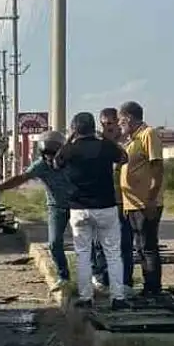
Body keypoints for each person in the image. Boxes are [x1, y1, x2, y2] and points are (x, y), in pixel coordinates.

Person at [54, 112, 129, 310]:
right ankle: (118, 298)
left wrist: (70, 138)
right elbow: (124, 157)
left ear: (74, 128)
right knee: (113, 254)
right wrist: (104, 137)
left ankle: (86, 298)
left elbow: (56, 162)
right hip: (105, 207)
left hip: (79, 210)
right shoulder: (104, 146)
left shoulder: (69, 150)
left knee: (83, 255)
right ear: (93, 127)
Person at [0, 131, 74, 291]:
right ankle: (63, 276)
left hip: (78, 205)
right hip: (56, 207)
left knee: (87, 243)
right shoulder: (41, 165)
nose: (51, 159)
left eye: (54, 154)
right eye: (47, 155)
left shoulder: (73, 161)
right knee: (54, 243)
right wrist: (1, 187)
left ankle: (99, 276)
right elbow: (22, 177)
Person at [118, 100, 165, 298]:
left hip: (145, 202)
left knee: (148, 247)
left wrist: (152, 199)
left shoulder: (148, 134)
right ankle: (148, 286)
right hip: (132, 203)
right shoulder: (132, 140)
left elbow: (157, 167)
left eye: (121, 121)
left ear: (128, 118)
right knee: (140, 247)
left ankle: (153, 288)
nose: (120, 125)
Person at [92, 106, 135, 292]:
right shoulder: (97, 145)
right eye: (103, 125)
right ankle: (103, 278)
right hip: (100, 202)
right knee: (100, 244)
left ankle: (124, 281)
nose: (106, 129)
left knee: (124, 244)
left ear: (118, 124)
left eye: (110, 124)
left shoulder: (128, 144)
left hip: (122, 202)